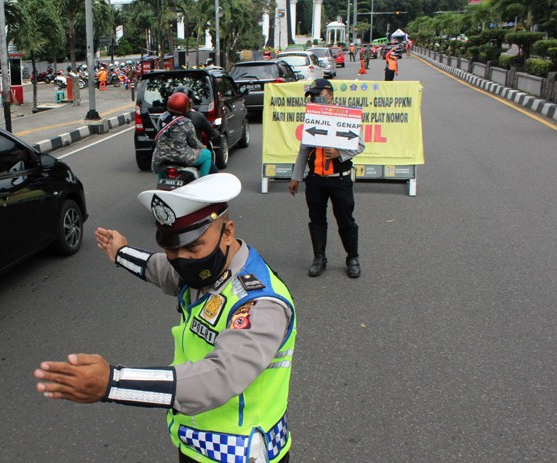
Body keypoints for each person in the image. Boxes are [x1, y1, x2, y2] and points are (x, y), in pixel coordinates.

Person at [34, 173, 297, 463]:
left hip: (243, 454)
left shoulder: (259, 302)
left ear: (228, 232)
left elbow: (221, 376)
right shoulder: (204, 270)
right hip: (196, 443)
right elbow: (159, 269)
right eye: (172, 248)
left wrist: (112, 382)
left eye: (193, 246)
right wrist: (121, 252)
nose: (182, 258)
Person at [288, 79, 365, 278]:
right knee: (316, 220)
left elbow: (360, 145)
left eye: (318, 95)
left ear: (329, 94)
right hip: (315, 180)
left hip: (340, 180)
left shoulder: (346, 116)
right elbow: (303, 151)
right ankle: (319, 258)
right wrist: (296, 177)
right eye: (312, 97)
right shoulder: (312, 119)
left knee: (345, 219)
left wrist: (340, 153)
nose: (315, 99)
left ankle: (352, 258)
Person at [151, 92, 214, 177]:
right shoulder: (186, 122)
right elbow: (194, 142)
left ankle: (161, 183)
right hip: (182, 156)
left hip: (161, 155)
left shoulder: (162, 118)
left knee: (163, 164)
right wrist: (202, 147)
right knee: (207, 154)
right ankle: (202, 182)